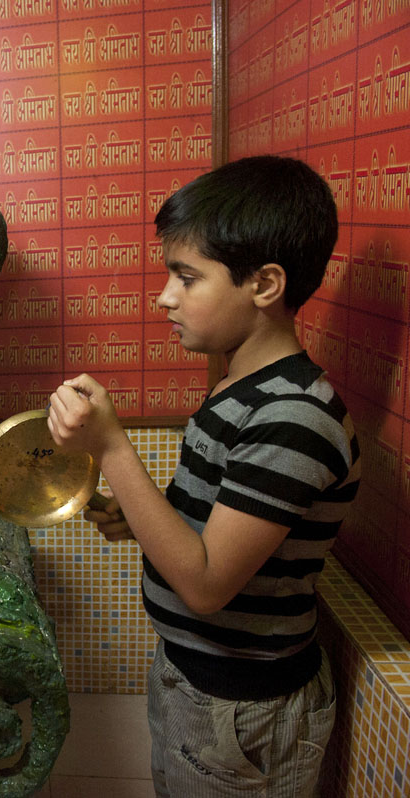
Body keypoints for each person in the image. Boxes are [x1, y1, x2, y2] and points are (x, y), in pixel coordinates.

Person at [47, 155, 360, 797]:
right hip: (198, 679)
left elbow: (208, 582)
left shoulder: (295, 416)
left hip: (243, 710)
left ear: (265, 284)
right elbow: (209, 534)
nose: (165, 296)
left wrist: (112, 448)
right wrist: (136, 519)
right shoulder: (239, 388)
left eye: (187, 278)